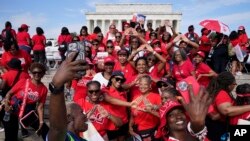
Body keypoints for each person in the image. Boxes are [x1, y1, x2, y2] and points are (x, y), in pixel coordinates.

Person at [4, 63, 49, 141]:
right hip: (12, 109)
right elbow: (9, 93)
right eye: (34, 72)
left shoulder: (43, 89)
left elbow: (40, 107)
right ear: (31, 73)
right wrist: (6, 105)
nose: (37, 74)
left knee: (45, 130)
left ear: (43, 73)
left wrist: (41, 122)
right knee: (10, 136)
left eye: (39, 72)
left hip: (28, 112)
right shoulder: (23, 82)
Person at [206, 72, 250, 141]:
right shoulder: (222, 93)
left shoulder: (215, 90)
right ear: (229, 85)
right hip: (217, 129)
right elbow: (226, 111)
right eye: (234, 84)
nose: (235, 86)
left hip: (213, 126)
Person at [129, 75, 161, 141]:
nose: (142, 86)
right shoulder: (135, 97)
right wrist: (130, 126)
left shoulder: (157, 97)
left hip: (150, 129)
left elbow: (162, 116)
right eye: (141, 84)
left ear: (150, 86)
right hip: (136, 129)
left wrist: (150, 111)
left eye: (145, 84)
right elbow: (132, 115)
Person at [104, 71, 129, 141]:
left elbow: (126, 109)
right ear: (112, 79)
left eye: (122, 80)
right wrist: (130, 104)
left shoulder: (123, 92)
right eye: (117, 79)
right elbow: (110, 100)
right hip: (112, 124)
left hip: (124, 123)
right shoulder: (105, 90)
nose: (119, 81)